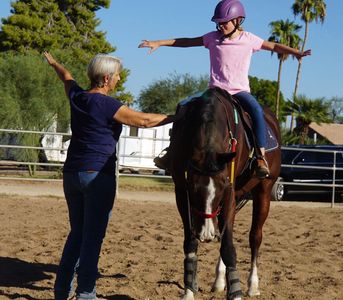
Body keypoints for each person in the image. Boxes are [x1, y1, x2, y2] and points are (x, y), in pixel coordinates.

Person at [44, 51, 179, 300]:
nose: (118, 79)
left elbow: (66, 77)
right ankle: (86, 293)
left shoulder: (77, 96)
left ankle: (62, 289)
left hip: (72, 174)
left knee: (77, 232)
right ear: (106, 78)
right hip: (98, 175)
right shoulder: (107, 104)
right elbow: (145, 121)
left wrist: (54, 63)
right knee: (93, 236)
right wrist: (177, 117)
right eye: (117, 76)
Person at [138, 0, 311, 179]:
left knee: (257, 111)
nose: (220, 26)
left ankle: (260, 157)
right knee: (183, 105)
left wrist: (295, 52)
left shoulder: (249, 39)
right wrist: (159, 42)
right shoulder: (212, 38)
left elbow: (273, 46)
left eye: (224, 22)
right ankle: (171, 153)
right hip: (214, 91)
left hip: (239, 91)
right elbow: (188, 41)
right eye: (218, 23)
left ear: (238, 21)